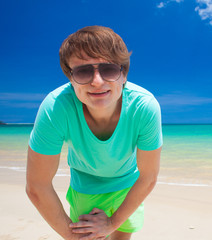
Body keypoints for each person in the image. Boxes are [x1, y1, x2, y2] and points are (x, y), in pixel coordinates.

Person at [26, 26, 163, 240]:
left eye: (108, 70)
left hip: (129, 183)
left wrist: (111, 224)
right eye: (83, 71)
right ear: (70, 78)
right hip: (86, 184)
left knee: (121, 236)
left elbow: (148, 176)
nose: (97, 81)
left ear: (123, 74)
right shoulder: (56, 108)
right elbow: (37, 186)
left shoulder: (144, 107)